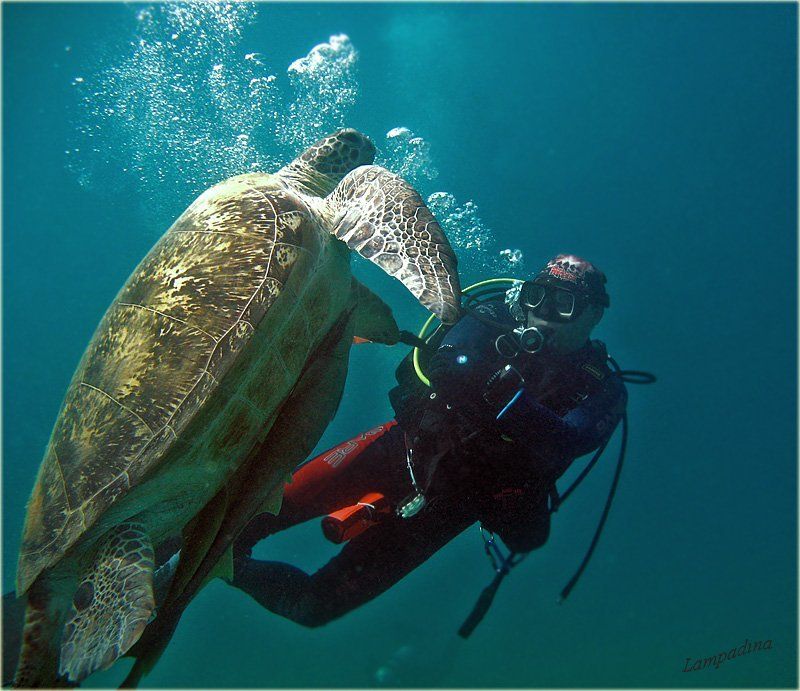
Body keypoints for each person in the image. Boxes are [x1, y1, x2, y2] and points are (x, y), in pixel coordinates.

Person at [229, 254, 628, 628]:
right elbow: (444, 362)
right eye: (536, 295)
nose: (543, 311)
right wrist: (504, 400)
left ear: (593, 314)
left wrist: (507, 398)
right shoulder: (493, 315)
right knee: (239, 518)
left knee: (313, 606)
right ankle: (179, 565)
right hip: (401, 448)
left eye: (564, 303)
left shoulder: (600, 384)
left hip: (453, 504)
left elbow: (574, 438)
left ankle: (211, 570)